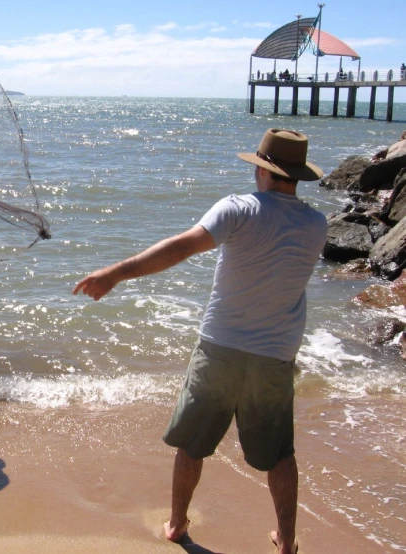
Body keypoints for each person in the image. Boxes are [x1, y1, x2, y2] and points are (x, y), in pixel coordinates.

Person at [73, 129, 326, 554]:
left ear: (261, 167)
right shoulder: (316, 224)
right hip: (275, 355)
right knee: (280, 454)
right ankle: (285, 541)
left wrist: (115, 272)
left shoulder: (239, 208)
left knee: (193, 445)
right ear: (297, 174)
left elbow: (182, 248)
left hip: (221, 346)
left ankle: (176, 525)